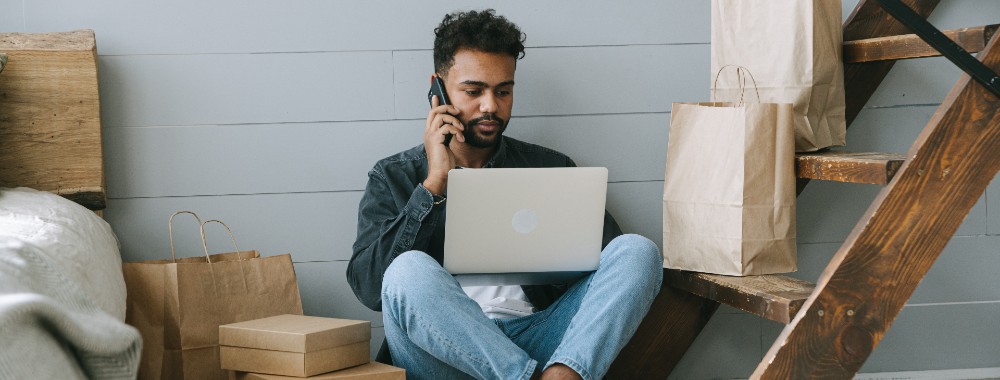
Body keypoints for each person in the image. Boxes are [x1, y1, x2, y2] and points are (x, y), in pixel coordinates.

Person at [347, 9, 662, 380]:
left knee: (637, 251)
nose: (490, 106)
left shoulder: (551, 168)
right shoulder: (393, 177)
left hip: (539, 338)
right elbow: (373, 289)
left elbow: (608, 282)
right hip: (441, 355)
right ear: (438, 89)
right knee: (406, 270)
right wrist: (434, 184)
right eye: (473, 91)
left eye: (503, 91)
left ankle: (561, 376)